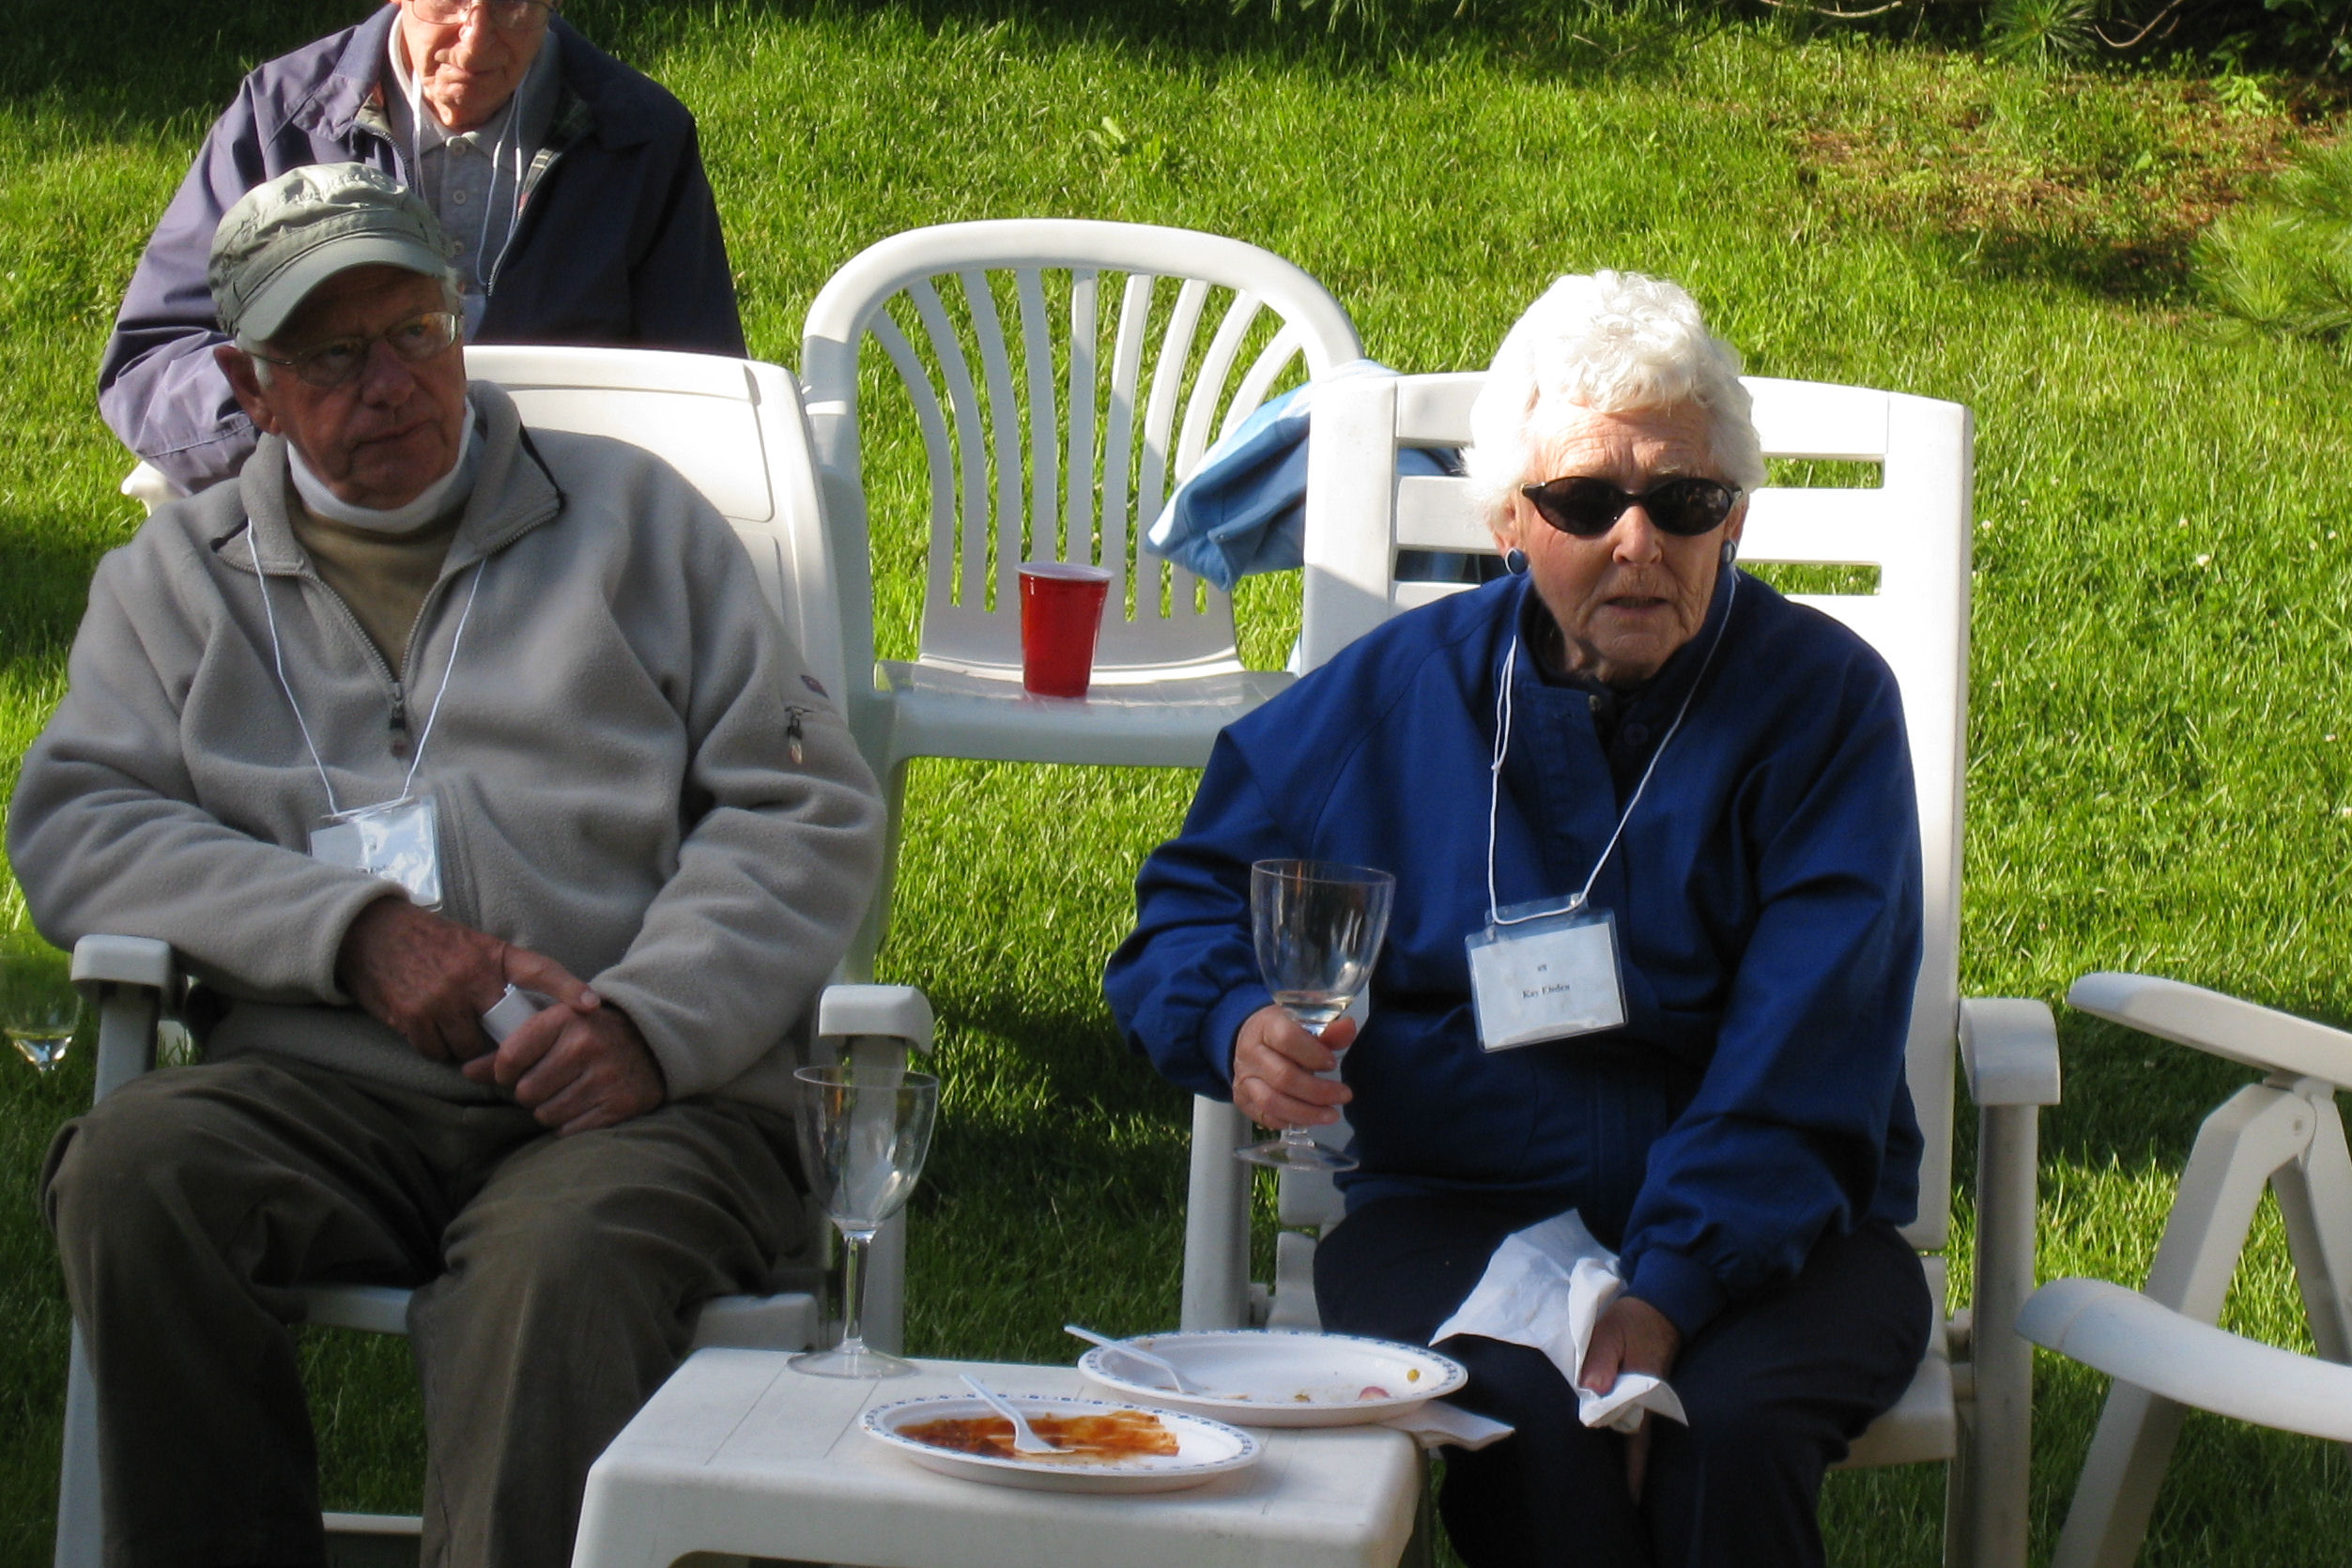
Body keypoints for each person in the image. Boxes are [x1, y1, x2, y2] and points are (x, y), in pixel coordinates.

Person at [19, 164, 881, 1568]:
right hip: (321, 1092)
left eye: (416, 332)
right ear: (248, 383)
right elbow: (80, 820)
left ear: (459, 326)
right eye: (334, 355)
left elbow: (802, 806)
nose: (391, 384)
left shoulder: (635, 525)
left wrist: (650, 1024)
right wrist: (353, 932)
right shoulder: (178, 580)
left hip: (629, 1104)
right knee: (135, 1173)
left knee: (551, 1273)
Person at [1105, 271, 1930, 1567]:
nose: (1637, 541)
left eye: (1686, 501)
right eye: (1584, 500)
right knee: (1529, 1431)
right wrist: (1231, 1016)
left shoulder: (1822, 707)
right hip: (1455, 1206)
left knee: (1731, 1424)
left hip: (1779, 1229)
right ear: (1506, 521)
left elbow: (1805, 1050)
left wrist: (1671, 1285)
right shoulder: (1396, 693)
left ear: (1735, 519)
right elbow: (1191, 900)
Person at [100, 0, 746, 497]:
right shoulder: (284, 118)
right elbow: (151, 362)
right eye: (448, 4)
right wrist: (309, 428)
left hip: (555, 525)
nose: (474, 42)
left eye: (515, 7)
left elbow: (702, 392)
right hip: (321, 520)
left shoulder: (637, 136)